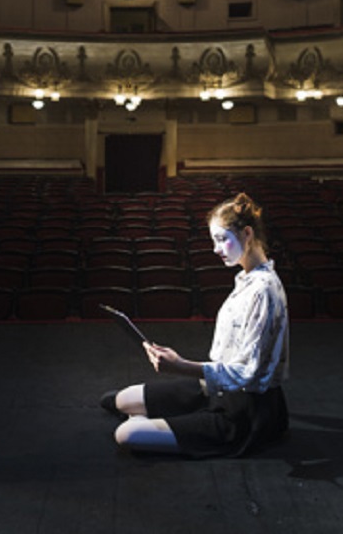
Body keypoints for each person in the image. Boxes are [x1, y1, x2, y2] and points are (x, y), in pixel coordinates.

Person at [100, 192, 290, 458]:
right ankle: (165, 420)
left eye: (222, 240)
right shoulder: (247, 278)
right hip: (216, 388)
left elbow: (247, 374)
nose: (216, 249)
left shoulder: (263, 290)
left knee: (126, 434)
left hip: (244, 411)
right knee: (120, 401)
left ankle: (164, 424)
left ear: (247, 234)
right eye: (214, 240)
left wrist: (181, 366)